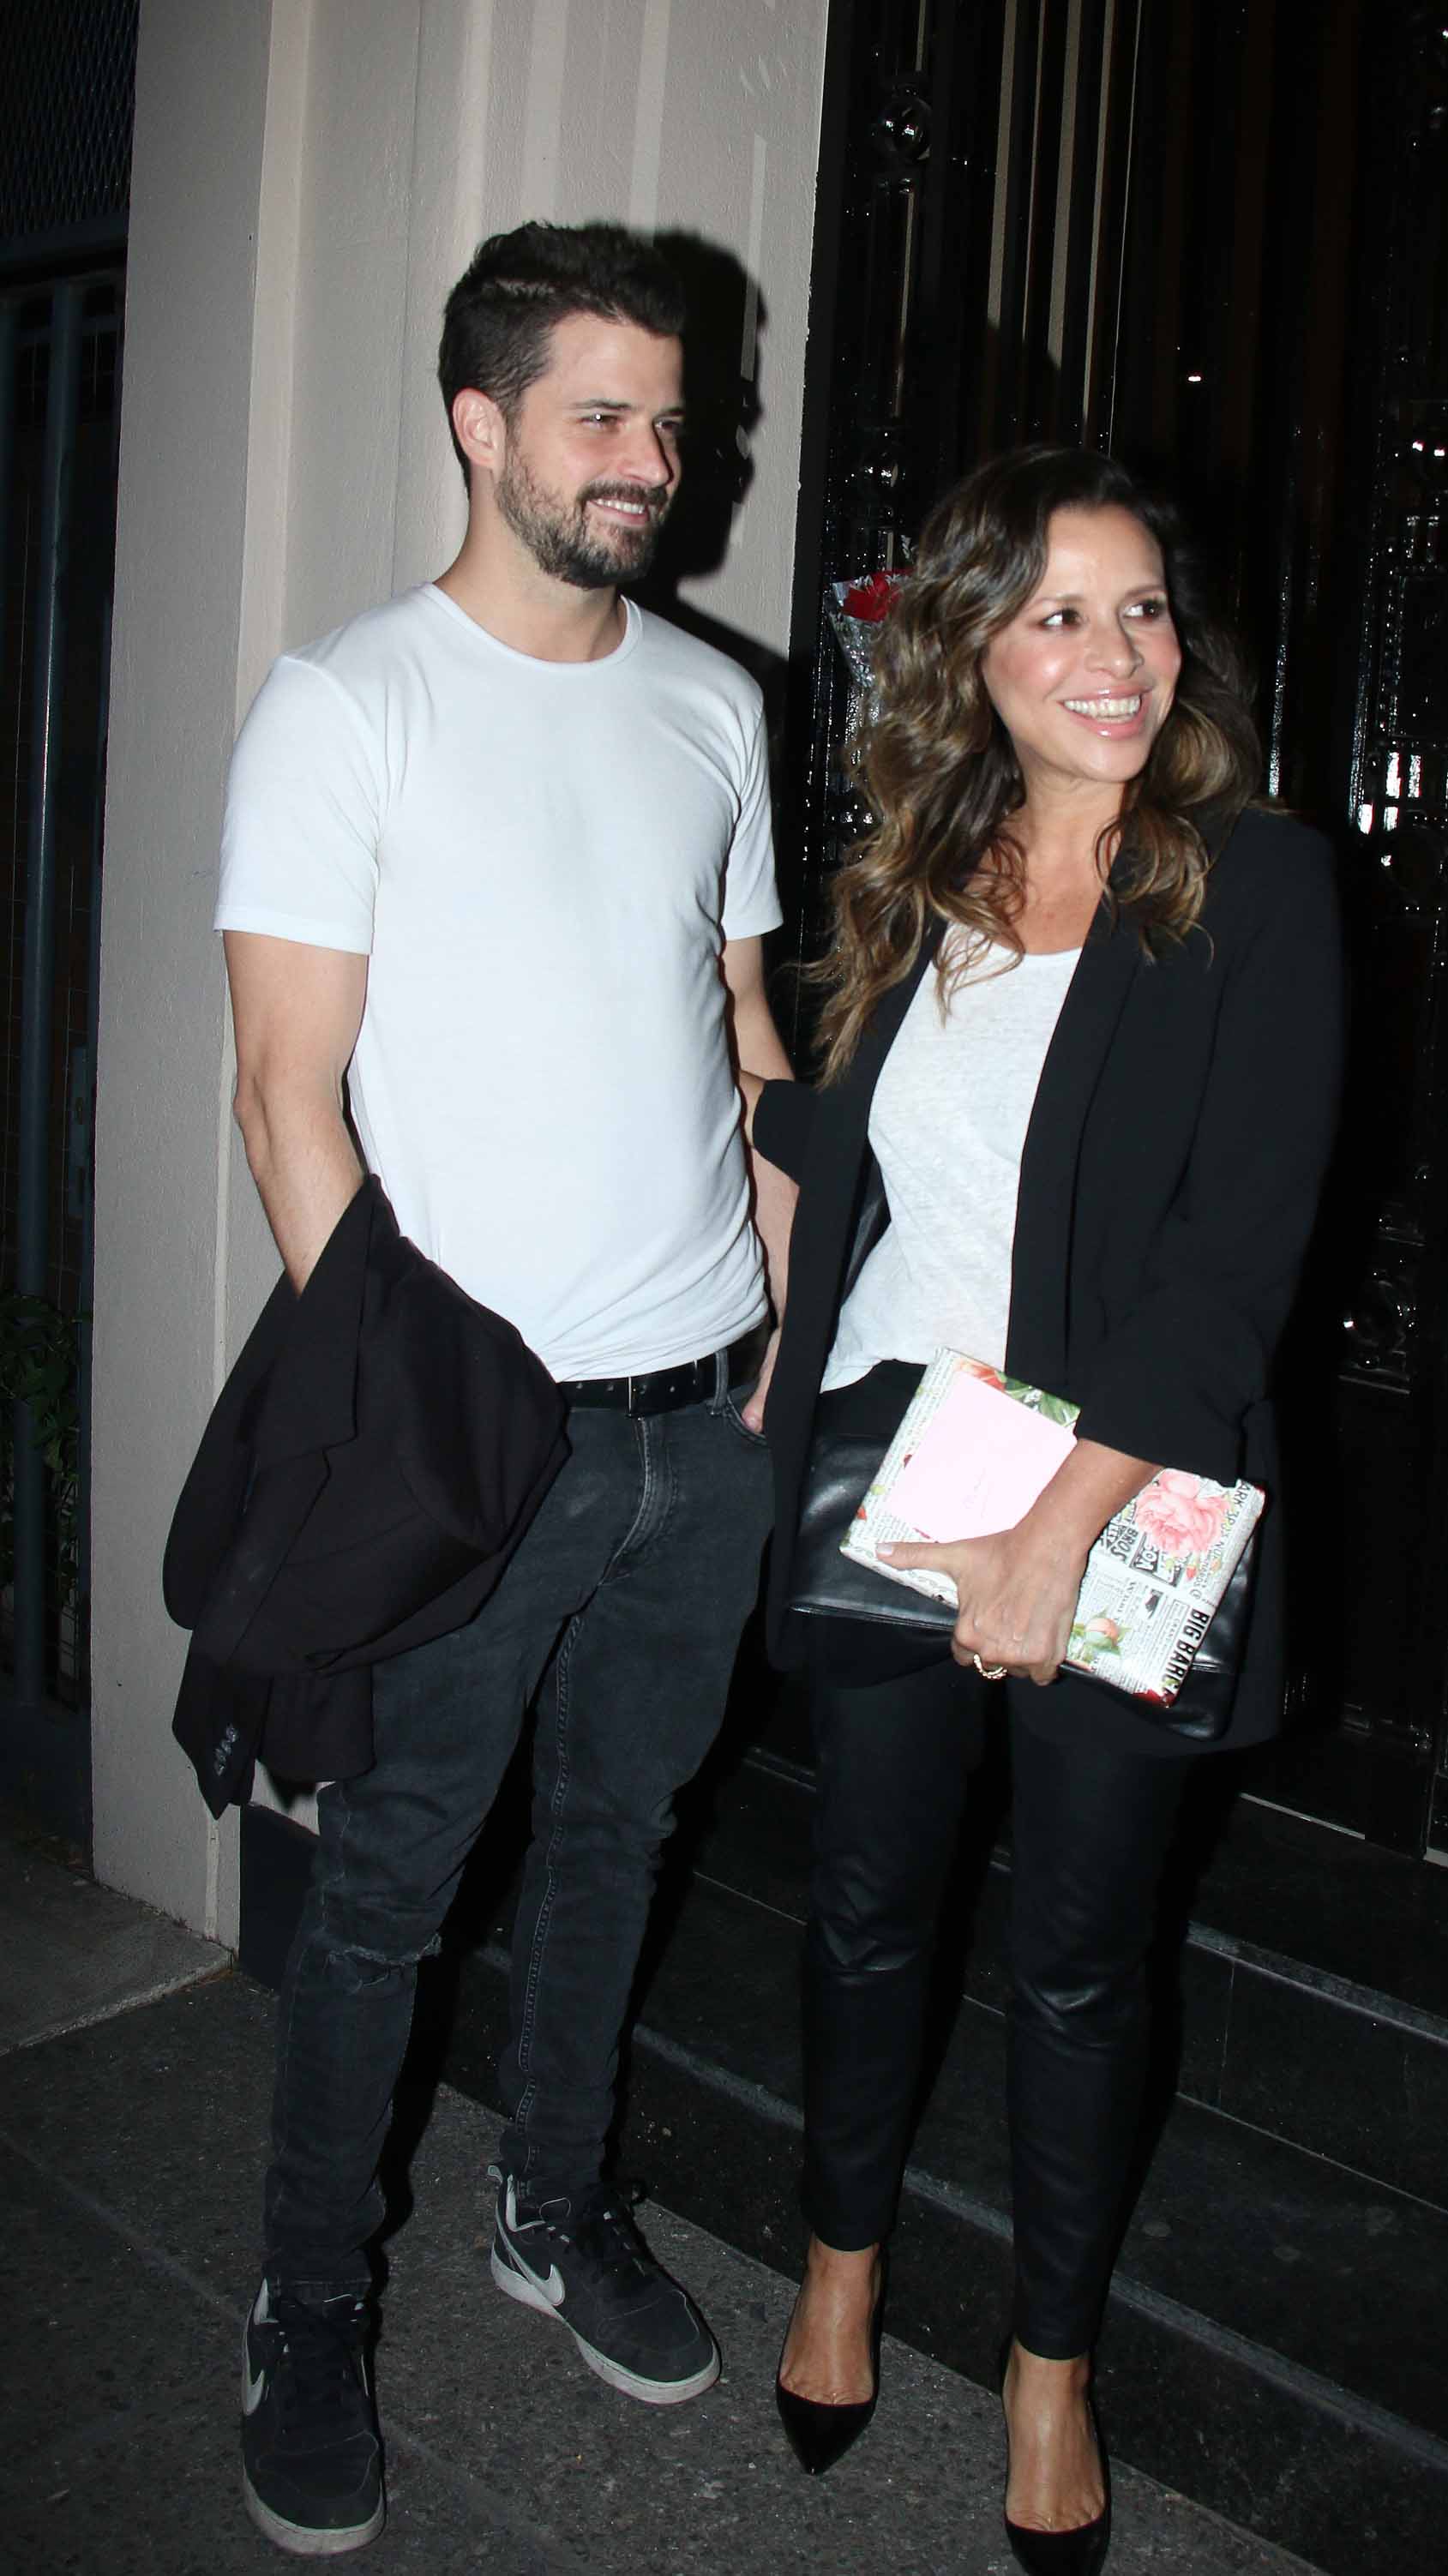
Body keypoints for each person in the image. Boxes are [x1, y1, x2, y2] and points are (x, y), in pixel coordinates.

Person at [216, 220, 795, 2557]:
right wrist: (390, 1427)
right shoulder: (347, 702)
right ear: (480, 424)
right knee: (382, 1892)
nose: (656, 459)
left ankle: (556, 2202)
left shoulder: (715, 703)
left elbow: (747, 1030)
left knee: (619, 1842)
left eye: (671, 419)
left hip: (697, 1417)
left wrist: (781, 1315)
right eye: (603, 416)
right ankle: (304, 2300)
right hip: (480, 1433)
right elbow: (286, 1092)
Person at [744, 446, 1343, 2574]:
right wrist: (770, 1353)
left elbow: (1234, 1262)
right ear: (972, 653)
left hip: (1119, 1480)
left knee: (1084, 1957)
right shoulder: (917, 865)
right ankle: (837, 2262)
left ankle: (1050, 2370)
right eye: (1060, 615)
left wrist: (1057, 1530)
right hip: (896, 1449)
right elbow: (838, 1143)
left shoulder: (1248, 881)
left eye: (1145, 607)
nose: (1115, 656)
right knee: (861, 1903)